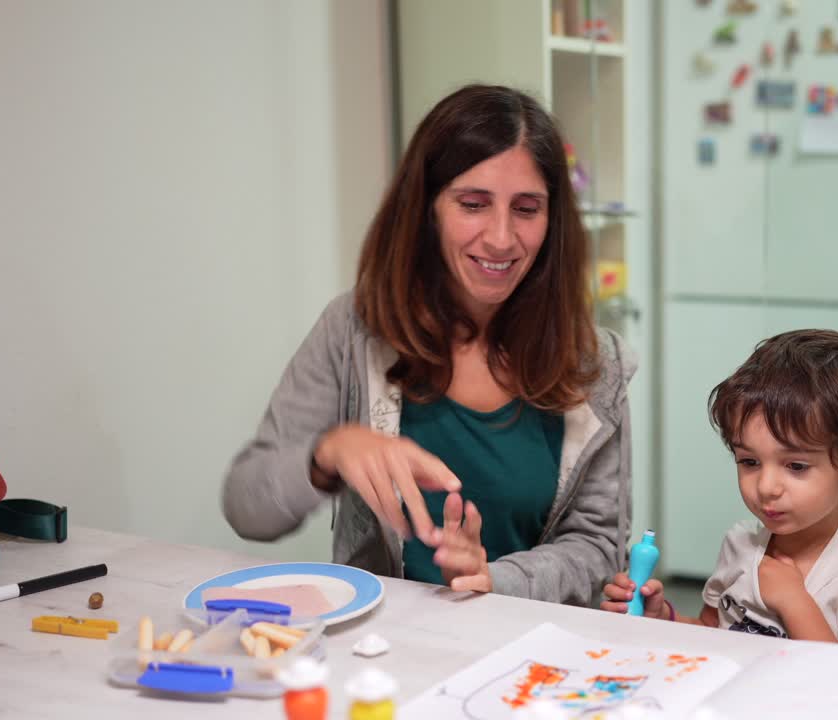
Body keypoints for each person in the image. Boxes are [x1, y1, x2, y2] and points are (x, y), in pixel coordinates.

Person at [223, 84, 635, 606]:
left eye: (527, 209)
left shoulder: (595, 364)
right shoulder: (353, 331)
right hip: (385, 655)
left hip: (532, 657)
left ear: (553, 222)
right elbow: (246, 505)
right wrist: (326, 454)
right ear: (426, 210)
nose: (502, 238)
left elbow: (600, 548)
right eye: (473, 204)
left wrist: (496, 578)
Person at [601, 330, 838, 655]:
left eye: (796, 466)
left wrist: (794, 602)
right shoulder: (740, 546)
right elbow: (711, 633)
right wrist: (662, 617)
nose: (765, 487)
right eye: (749, 461)